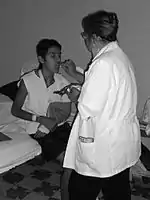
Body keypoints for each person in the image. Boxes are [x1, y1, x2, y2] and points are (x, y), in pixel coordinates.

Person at [62, 10, 141, 200]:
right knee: (118, 189)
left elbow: (88, 108)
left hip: (102, 144)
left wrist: (76, 96)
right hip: (119, 142)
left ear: (95, 37)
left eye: (85, 36)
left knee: (80, 190)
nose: (84, 40)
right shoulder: (119, 57)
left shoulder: (103, 63)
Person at [11, 38, 73, 162]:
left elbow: (65, 112)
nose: (58, 60)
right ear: (41, 59)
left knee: (84, 151)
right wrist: (40, 120)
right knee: (67, 160)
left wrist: (49, 125)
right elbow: (15, 111)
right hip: (36, 130)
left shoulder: (63, 82)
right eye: (53, 56)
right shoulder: (28, 81)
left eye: (59, 56)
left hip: (59, 127)